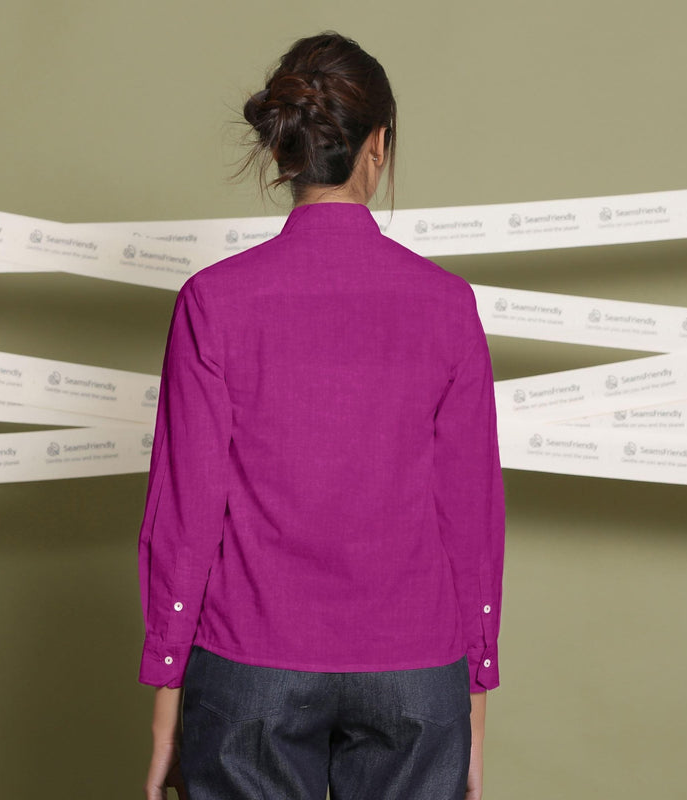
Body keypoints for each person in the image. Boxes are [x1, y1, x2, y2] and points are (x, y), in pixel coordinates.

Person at [139, 31, 505, 800]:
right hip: (415, 673)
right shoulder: (448, 306)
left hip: (250, 668)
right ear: (378, 148)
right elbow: (470, 516)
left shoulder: (215, 301)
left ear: (283, 153)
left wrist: (168, 693)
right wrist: (473, 696)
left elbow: (185, 511)